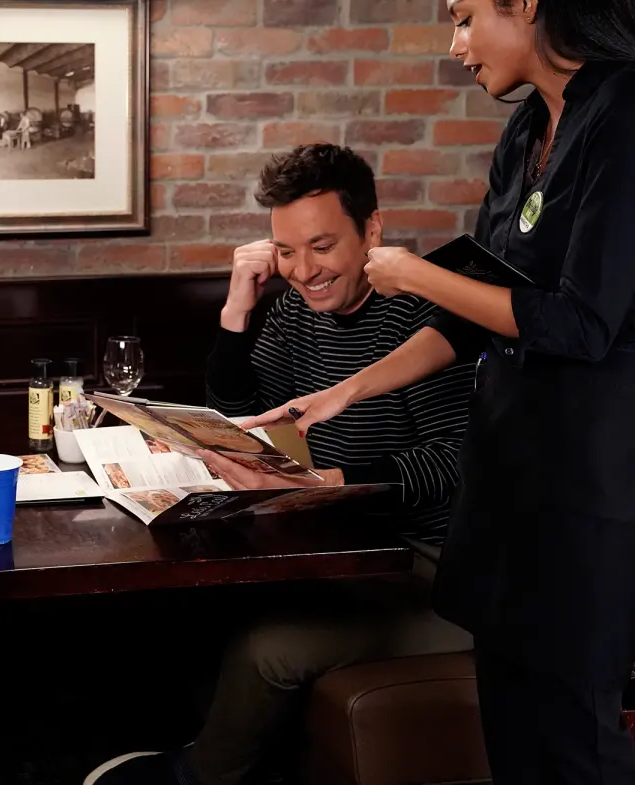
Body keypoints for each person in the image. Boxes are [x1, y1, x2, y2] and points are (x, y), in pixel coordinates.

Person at [242, 2, 635, 782]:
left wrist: (417, 275)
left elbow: (584, 322)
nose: (456, 45)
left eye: (463, 17)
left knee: (576, 747)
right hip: (506, 492)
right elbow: (474, 314)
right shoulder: (525, 130)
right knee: (514, 740)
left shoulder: (623, 114)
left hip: (584, 495)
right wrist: (344, 392)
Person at [85, 143, 477, 785]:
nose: (303, 271)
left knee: (266, 647)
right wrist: (236, 311)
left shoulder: (426, 316)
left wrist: (331, 484)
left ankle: (197, 778)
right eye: (286, 252)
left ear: (373, 230)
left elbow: (453, 460)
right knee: (189, 601)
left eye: (322, 247)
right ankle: (222, 756)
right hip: (345, 544)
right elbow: (242, 419)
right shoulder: (298, 308)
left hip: (437, 572)